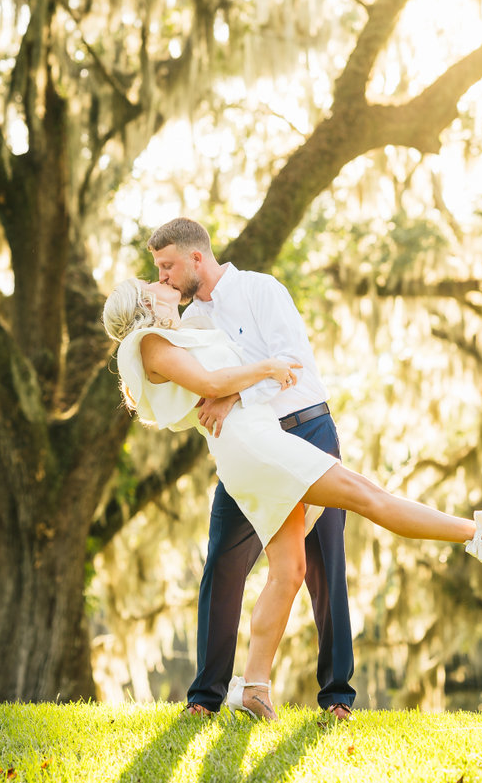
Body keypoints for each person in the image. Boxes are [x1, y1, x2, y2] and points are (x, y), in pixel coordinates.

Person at [102, 276, 482, 721]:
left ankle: (253, 687)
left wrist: (241, 383)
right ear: (142, 301)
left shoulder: (172, 335)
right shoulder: (147, 343)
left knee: (289, 570)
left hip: (252, 446)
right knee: (369, 496)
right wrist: (267, 368)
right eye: (150, 280)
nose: (159, 280)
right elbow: (212, 381)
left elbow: (214, 384)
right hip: (258, 451)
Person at [148, 218, 356, 722]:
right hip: (249, 450)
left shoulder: (261, 289)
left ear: (197, 258)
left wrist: (233, 393)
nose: (163, 279)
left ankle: (336, 698)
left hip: (306, 431)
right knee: (222, 563)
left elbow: (291, 362)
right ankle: (205, 697)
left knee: (324, 564)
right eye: (158, 270)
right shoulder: (186, 322)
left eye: (168, 266)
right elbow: (191, 386)